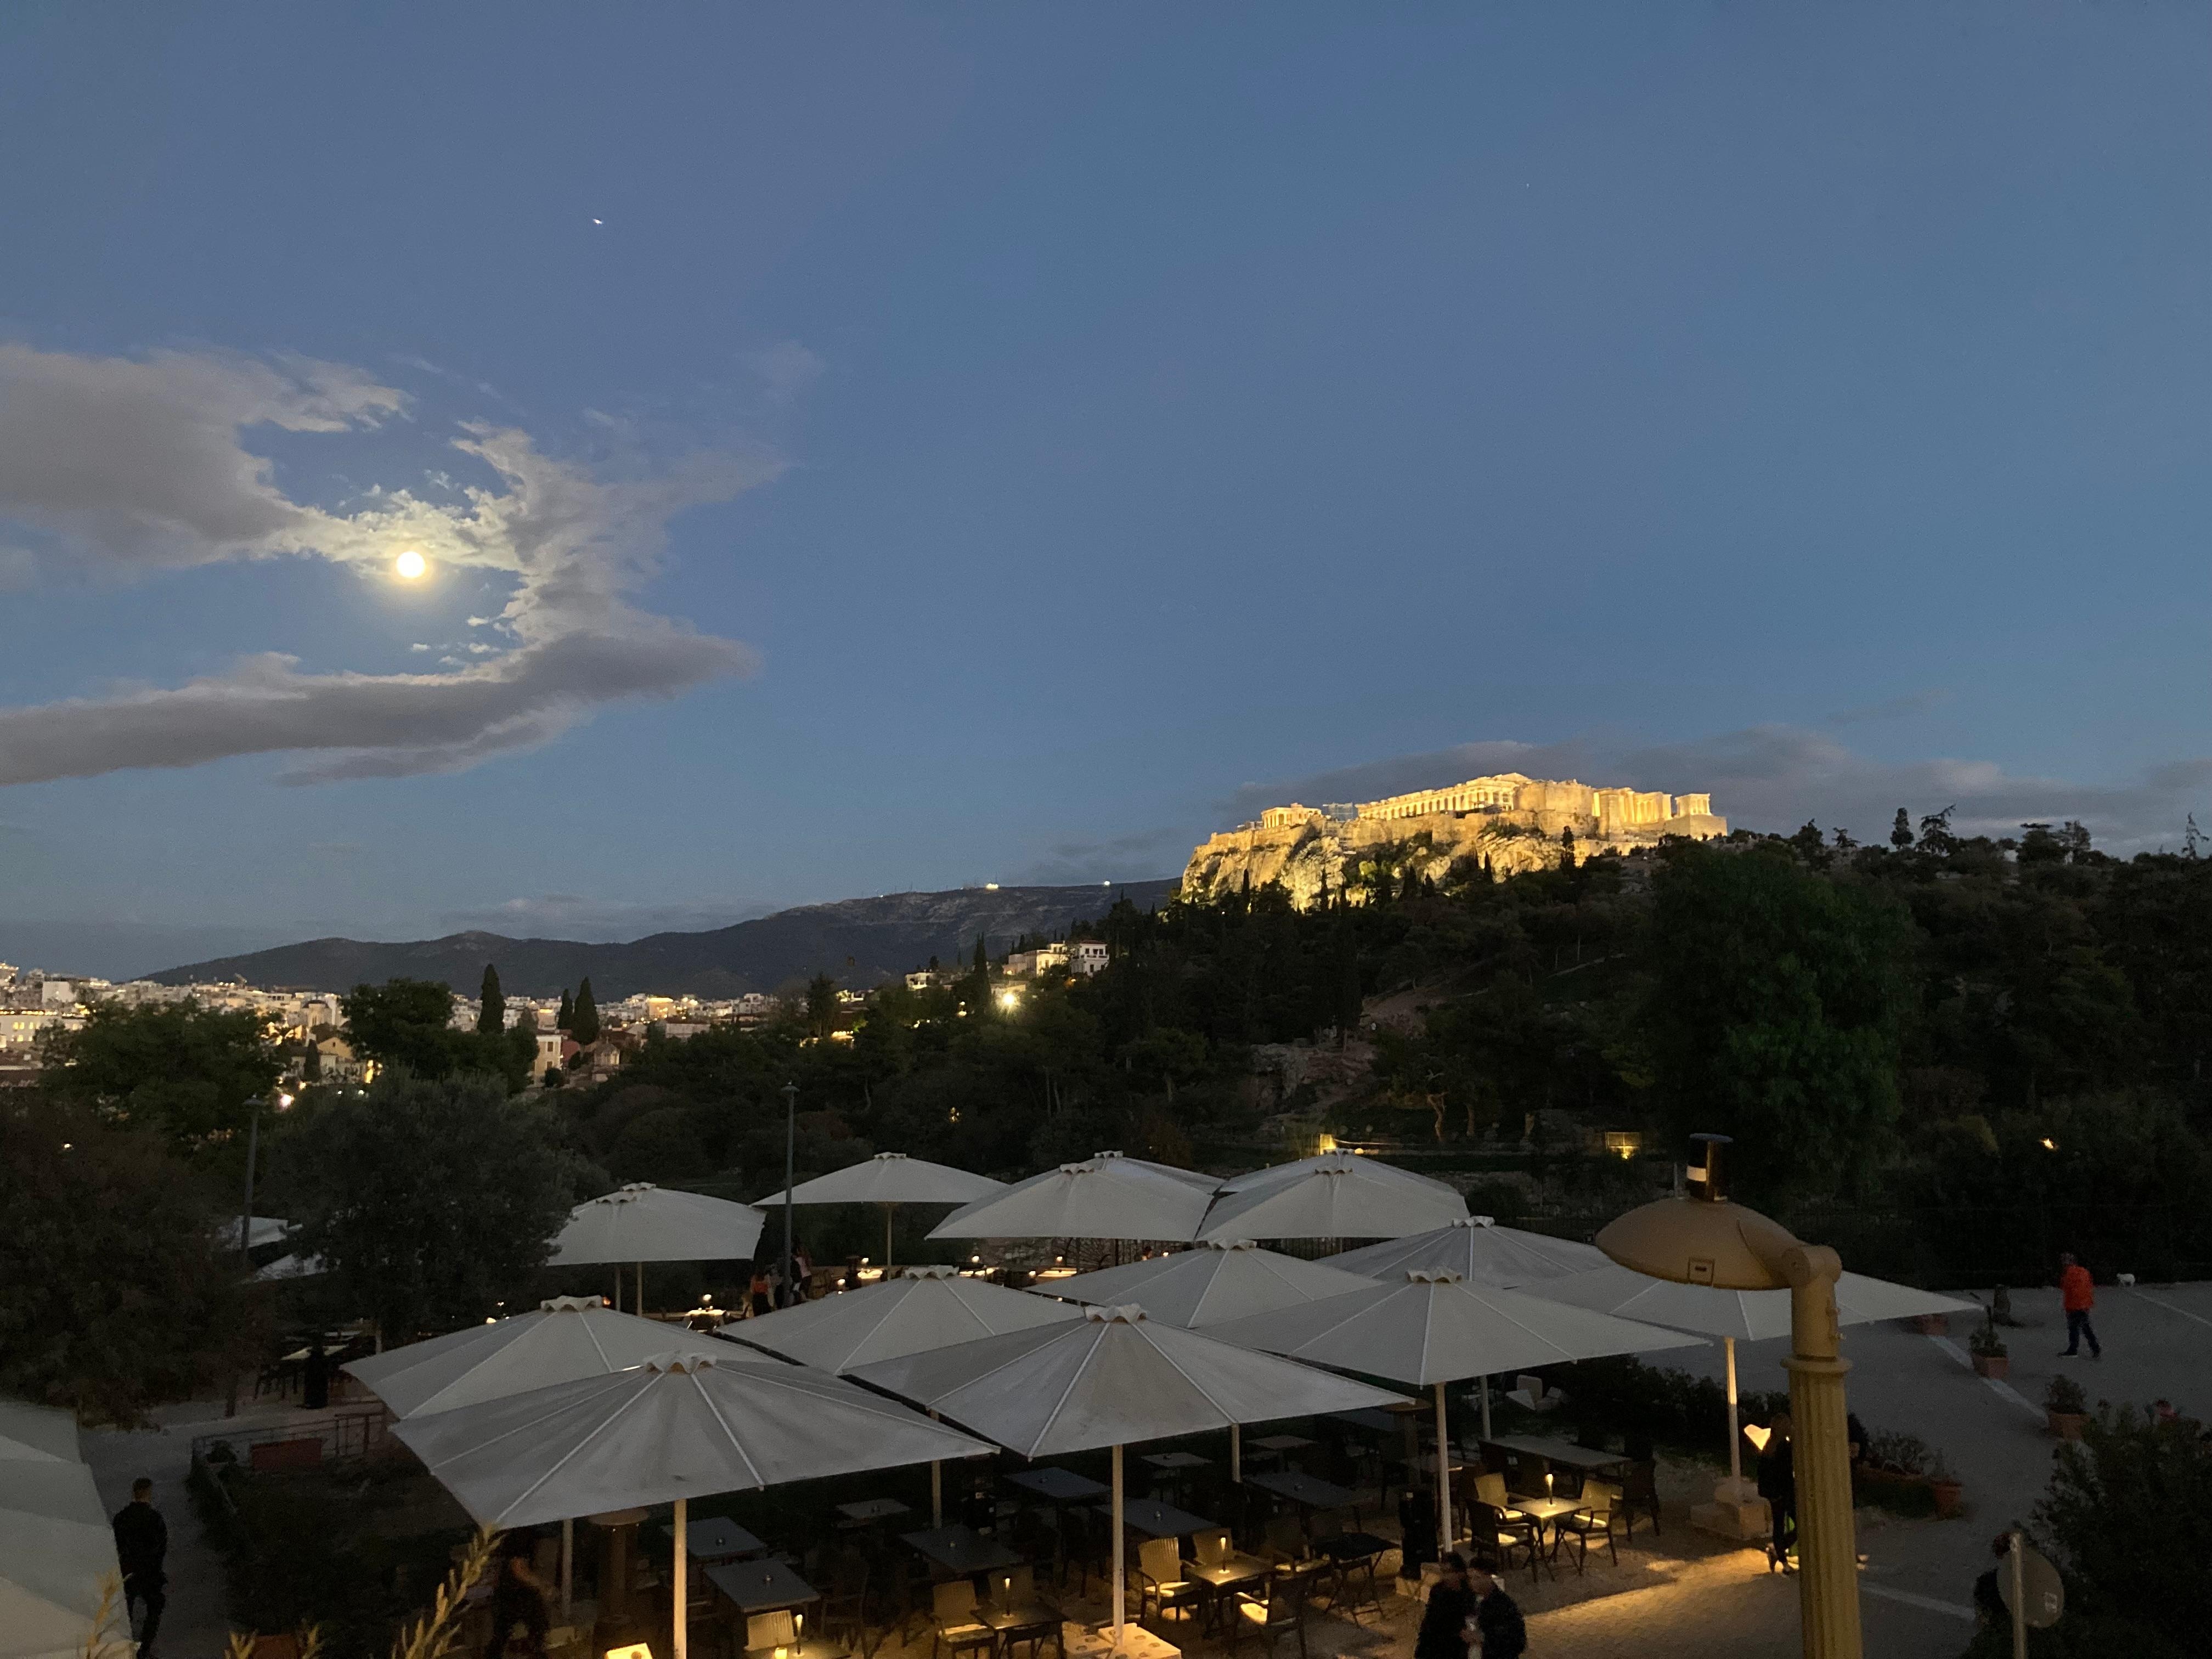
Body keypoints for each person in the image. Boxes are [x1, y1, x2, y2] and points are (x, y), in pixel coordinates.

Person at [112, 1477, 167, 1659]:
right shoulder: (155, 1519)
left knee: (126, 1609)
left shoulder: (121, 1518)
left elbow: (116, 1544)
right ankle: (144, 1649)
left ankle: (123, 1646)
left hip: (128, 1570)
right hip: (149, 1571)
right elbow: (161, 1548)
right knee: (155, 1606)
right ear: (149, 1494)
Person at [484, 1533, 550, 1659]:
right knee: (536, 1631)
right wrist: (543, 1586)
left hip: (506, 1593)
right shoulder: (520, 1535)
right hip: (518, 1595)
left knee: (501, 1636)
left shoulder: (506, 1534)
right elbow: (518, 1568)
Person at [1413, 1552, 1478, 1659]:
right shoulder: (1438, 1591)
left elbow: (1471, 1619)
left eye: (1449, 1572)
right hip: (1438, 1642)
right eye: (1443, 1572)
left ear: (1460, 1573)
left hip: (1458, 1644)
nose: (1445, 1577)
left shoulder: (1469, 1594)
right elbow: (1432, 1620)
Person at [1757, 1412, 1796, 1572]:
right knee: (1796, 1524)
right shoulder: (1782, 1447)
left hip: (1776, 1492)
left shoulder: (1770, 1445)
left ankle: (1780, 1554)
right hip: (1782, 1491)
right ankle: (1780, 1554)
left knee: (1779, 1525)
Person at [1465, 1556, 1526, 1657]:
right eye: (1470, 1578)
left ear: (1489, 1577)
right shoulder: (1471, 1599)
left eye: (1477, 1578)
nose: (1472, 1583)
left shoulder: (1503, 1605)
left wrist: (1483, 1638)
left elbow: (1517, 1642)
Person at [2057, 1252, 2102, 1359]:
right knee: (2085, 1327)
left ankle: (2075, 1350)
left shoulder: (2068, 1274)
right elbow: (2089, 1286)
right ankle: (2094, 1348)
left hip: (2074, 1305)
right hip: (2085, 1303)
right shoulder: (2084, 1271)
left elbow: (2066, 1289)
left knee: (2074, 1328)